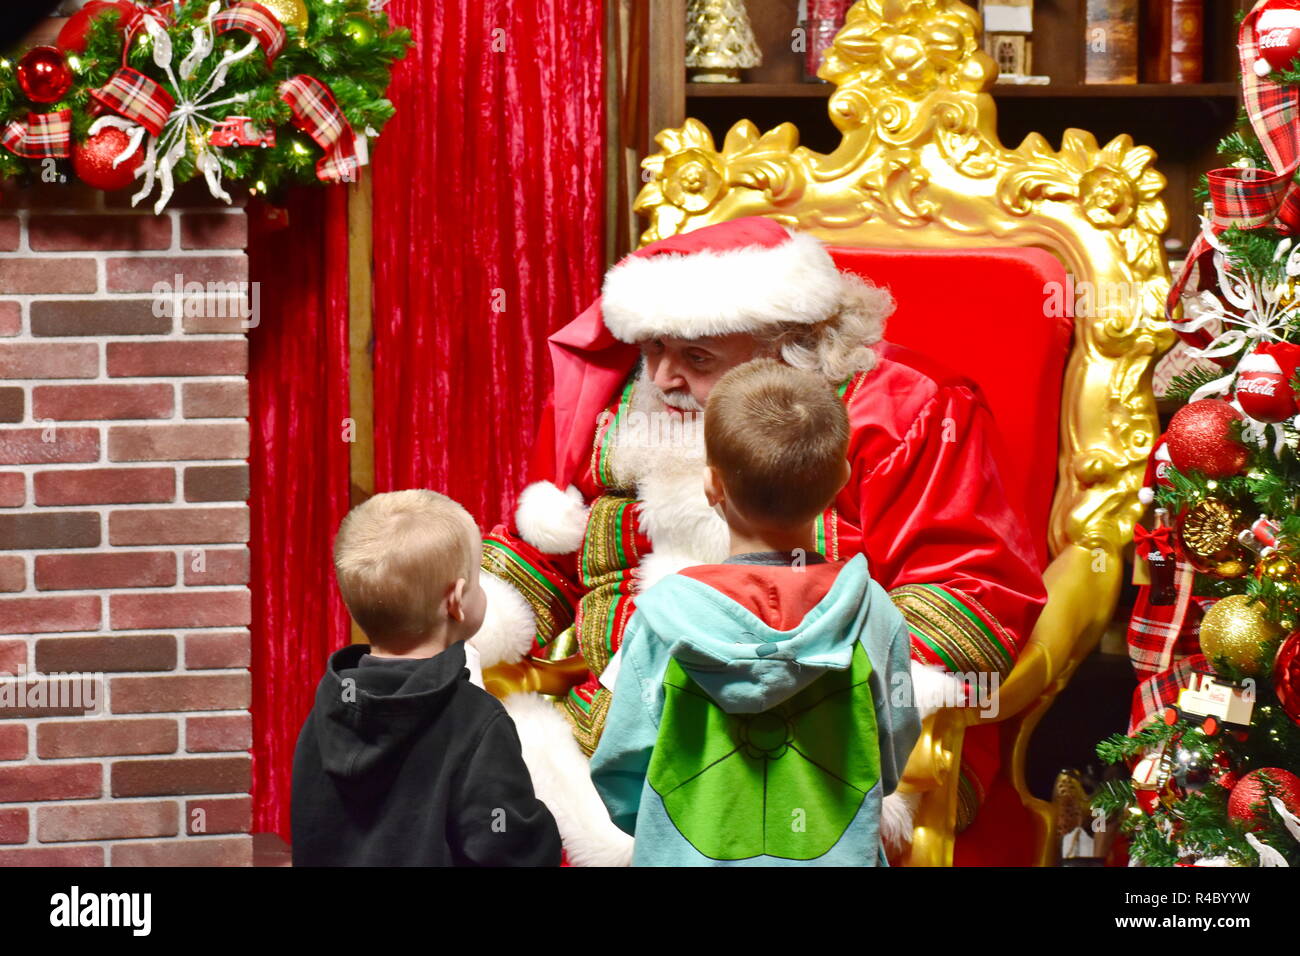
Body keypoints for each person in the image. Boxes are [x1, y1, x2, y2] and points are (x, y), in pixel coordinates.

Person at [470, 217, 1047, 865]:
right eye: (652, 346)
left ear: (789, 348)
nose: (660, 379)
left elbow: (972, 589)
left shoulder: (910, 410)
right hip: (610, 734)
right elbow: (551, 550)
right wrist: (464, 625)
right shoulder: (634, 408)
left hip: (823, 741)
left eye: (696, 356)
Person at [589, 360, 921, 865]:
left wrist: (669, 832)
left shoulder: (661, 615)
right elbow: (891, 745)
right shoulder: (872, 611)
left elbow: (620, 760)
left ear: (711, 485)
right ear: (841, 479)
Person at [291, 489, 561, 866]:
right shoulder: (475, 721)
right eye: (478, 578)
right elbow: (510, 850)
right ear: (457, 600)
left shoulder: (330, 704)